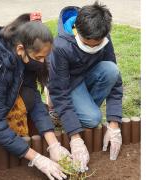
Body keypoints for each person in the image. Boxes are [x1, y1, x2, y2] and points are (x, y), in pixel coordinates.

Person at [0, 12, 70, 180]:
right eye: (39, 57)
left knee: (30, 97)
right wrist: (37, 158)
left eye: (45, 57)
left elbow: (33, 95)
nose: (42, 62)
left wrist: (53, 144)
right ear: (20, 49)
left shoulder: (20, 48)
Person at [47, 1, 123, 172]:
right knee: (93, 119)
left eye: (97, 44)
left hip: (87, 75)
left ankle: (79, 110)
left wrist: (114, 123)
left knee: (111, 70)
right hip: (65, 83)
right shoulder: (61, 46)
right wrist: (74, 137)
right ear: (78, 31)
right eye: (88, 44)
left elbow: (116, 81)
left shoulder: (103, 36)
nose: (93, 47)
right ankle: (60, 111)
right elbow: (60, 91)